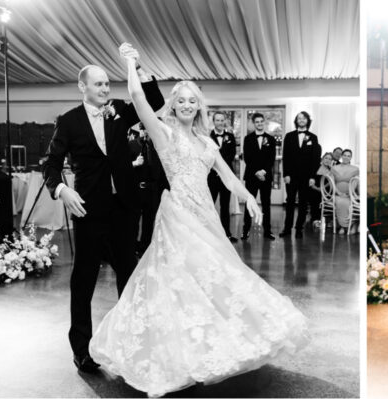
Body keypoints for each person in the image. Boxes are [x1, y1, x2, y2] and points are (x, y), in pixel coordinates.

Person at [89, 44, 308, 397]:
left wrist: (248, 196)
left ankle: (209, 345)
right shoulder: (163, 133)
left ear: (200, 106)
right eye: (182, 100)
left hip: (206, 215)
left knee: (214, 278)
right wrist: (129, 63)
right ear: (174, 103)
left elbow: (228, 177)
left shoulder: (207, 142)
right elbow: (135, 94)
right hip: (177, 215)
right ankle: (179, 355)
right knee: (176, 282)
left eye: (194, 101)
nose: (188, 105)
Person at [41, 46, 165, 374]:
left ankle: (131, 341)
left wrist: (138, 67)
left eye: (107, 84)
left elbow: (155, 103)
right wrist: (62, 188)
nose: (105, 89)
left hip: (124, 207)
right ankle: (81, 349)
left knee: (130, 273)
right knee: (84, 277)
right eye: (98, 84)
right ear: (82, 87)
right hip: (89, 211)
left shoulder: (120, 110)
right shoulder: (67, 122)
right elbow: (51, 164)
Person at [280, 111, 322, 238]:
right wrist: (286, 174)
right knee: (290, 202)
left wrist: (313, 177)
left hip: (306, 176)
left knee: (303, 203)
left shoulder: (313, 137)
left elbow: (315, 159)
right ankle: (287, 229)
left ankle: (299, 229)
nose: (302, 120)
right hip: (291, 176)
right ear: (296, 121)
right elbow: (285, 156)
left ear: (307, 121)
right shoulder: (289, 136)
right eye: (299, 118)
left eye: (304, 118)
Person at [128, 127, 169, 254]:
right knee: (133, 221)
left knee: (149, 221)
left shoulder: (160, 147)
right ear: (142, 130)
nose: (148, 132)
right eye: (145, 129)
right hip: (136, 189)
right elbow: (121, 167)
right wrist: (134, 163)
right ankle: (131, 248)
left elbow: (164, 171)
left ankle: (145, 248)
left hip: (153, 190)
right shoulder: (132, 145)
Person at [241, 113, 277, 240]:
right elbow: (247, 158)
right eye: (257, 122)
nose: (260, 123)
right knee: (249, 203)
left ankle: (268, 231)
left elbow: (271, 158)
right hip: (251, 176)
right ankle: (245, 231)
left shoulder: (271, 139)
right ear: (253, 123)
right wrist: (256, 171)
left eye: (261, 121)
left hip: (265, 177)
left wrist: (263, 172)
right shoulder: (248, 138)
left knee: (266, 204)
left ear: (264, 122)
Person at [208, 112, 238, 242]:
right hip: (212, 176)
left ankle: (227, 233)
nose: (220, 123)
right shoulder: (207, 136)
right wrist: (216, 168)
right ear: (214, 122)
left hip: (226, 176)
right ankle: (209, 233)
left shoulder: (230, 136)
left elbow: (231, 155)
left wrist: (222, 169)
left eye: (222, 120)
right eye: (217, 120)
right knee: (210, 205)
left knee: (225, 206)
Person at [331, 149, 359, 234]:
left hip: (350, 194)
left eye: (348, 156)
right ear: (341, 156)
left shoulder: (355, 169)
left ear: (351, 158)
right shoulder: (334, 168)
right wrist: (338, 192)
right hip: (337, 193)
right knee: (340, 202)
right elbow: (332, 183)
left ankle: (352, 224)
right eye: (345, 155)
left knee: (349, 202)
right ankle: (343, 226)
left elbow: (355, 182)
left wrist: (350, 193)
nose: (346, 157)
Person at [309, 153, 334, 228]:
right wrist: (318, 189)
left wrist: (322, 189)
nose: (327, 160)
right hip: (315, 189)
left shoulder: (331, 170)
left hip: (326, 190)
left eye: (330, 159)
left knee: (331, 197)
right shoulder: (315, 167)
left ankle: (329, 219)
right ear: (322, 159)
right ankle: (315, 219)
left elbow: (330, 183)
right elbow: (311, 181)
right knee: (315, 196)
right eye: (326, 158)